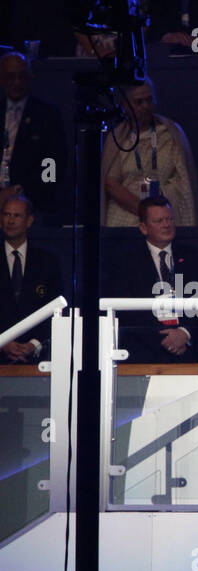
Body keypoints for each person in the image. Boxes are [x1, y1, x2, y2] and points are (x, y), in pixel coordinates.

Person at [106, 196, 198, 364]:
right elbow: (127, 310)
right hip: (144, 353)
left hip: (187, 353)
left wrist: (184, 333)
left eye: (169, 219)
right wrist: (165, 339)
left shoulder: (195, 257)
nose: (166, 225)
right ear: (144, 228)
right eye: (159, 220)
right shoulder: (125, 263)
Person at [101, 78, 198, 228]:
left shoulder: (170, 133)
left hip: (165, 212)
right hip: (126, 214)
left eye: (149, 100)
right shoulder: (118, 137)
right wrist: (144, 211)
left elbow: (184, 180)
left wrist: (158, 210)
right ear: (125, 105)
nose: (146, 106)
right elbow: (111, 183)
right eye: (139, 102)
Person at [0, 53, 66, 223]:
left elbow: (52, 166)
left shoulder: (47, 116)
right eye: (10, 77)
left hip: (33, 203)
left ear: (30, 78)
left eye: (21, 76)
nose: (16, 83)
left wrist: (22, 191)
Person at [0, 195, 61, 363]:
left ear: (29, 220)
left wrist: (33, 344)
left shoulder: (48, 261)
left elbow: (56, 308)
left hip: (38, 358)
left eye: (17, 215)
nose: (10, 221)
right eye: (6, 214)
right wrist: (3, 342)